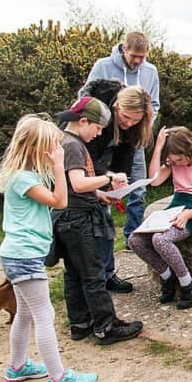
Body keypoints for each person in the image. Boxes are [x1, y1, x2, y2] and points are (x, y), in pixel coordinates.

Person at [0, 114, 98, 382]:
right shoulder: (24, 178)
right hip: (24, 257)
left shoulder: (23, 175)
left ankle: (17, 366)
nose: (56, 150)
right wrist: (60, 166)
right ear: (37, 148)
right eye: (52, 146)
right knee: (44, 315)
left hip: (18, 255)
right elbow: (60, 201)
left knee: (25, 313)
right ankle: (58, 378)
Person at [53, 97, 144, 345]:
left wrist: (100, 195)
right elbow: (78, 183)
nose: (99, 134)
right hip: (78, 218)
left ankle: (80, 323)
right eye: (98, 128)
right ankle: (106, 326)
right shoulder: (73, 145)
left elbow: (76, 186)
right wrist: (109, 179)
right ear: (83, 121)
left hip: (68, 216)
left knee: (74, 272)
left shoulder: (65, 141)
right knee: (93, 274)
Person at [85, 32, 160, 247]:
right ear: (123, 49)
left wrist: (139, 123)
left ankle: (133, 236)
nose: (137, 61)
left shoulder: (150, 71)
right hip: (102, 136)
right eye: (134, 55)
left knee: (134, 184)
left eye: (142, 57)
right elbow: (88, 99)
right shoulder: (103, 66)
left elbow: (154, 104)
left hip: (133, 136)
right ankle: (99, 227)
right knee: (101, 178)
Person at [129, 126, 192, 310]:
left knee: (160, 239)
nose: (176, 163)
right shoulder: (172, 163)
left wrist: (188, 214)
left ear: (189, 150)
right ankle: (167, 275)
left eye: (179, 159)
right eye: (172, 160)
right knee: (135, 240)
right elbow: (153, 181)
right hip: (177, 206)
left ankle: (186, 282)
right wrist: (159, 147)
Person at [81, 81, 154, 293]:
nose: (130, 123)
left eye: (136, 120)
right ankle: (93, 279)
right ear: (116, 107)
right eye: (126, 117)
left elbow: (126, 154)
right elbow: (87, 156)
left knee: (106, 222)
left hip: (104, 167)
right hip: (83, 167)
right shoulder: (96, 115)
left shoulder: (133, 126)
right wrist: (101, 185)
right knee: (90, 226)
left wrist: (119, 181)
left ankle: (107, 273)